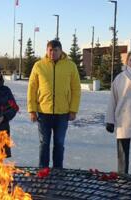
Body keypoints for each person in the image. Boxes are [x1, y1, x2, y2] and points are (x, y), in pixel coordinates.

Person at [27, 40, 81, 169]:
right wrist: (32, 110)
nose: (53, 53)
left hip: (63, 113)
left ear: (61, 51)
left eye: (55, 50)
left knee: (59, 143)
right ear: (47, 51)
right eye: (50, 50)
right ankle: (43, 170)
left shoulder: (70, 66)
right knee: (44, 143)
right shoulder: (39, 66)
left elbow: (76, 89)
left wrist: (73, 109)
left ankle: (58, 171)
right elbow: (32, 88)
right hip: (43, 112)